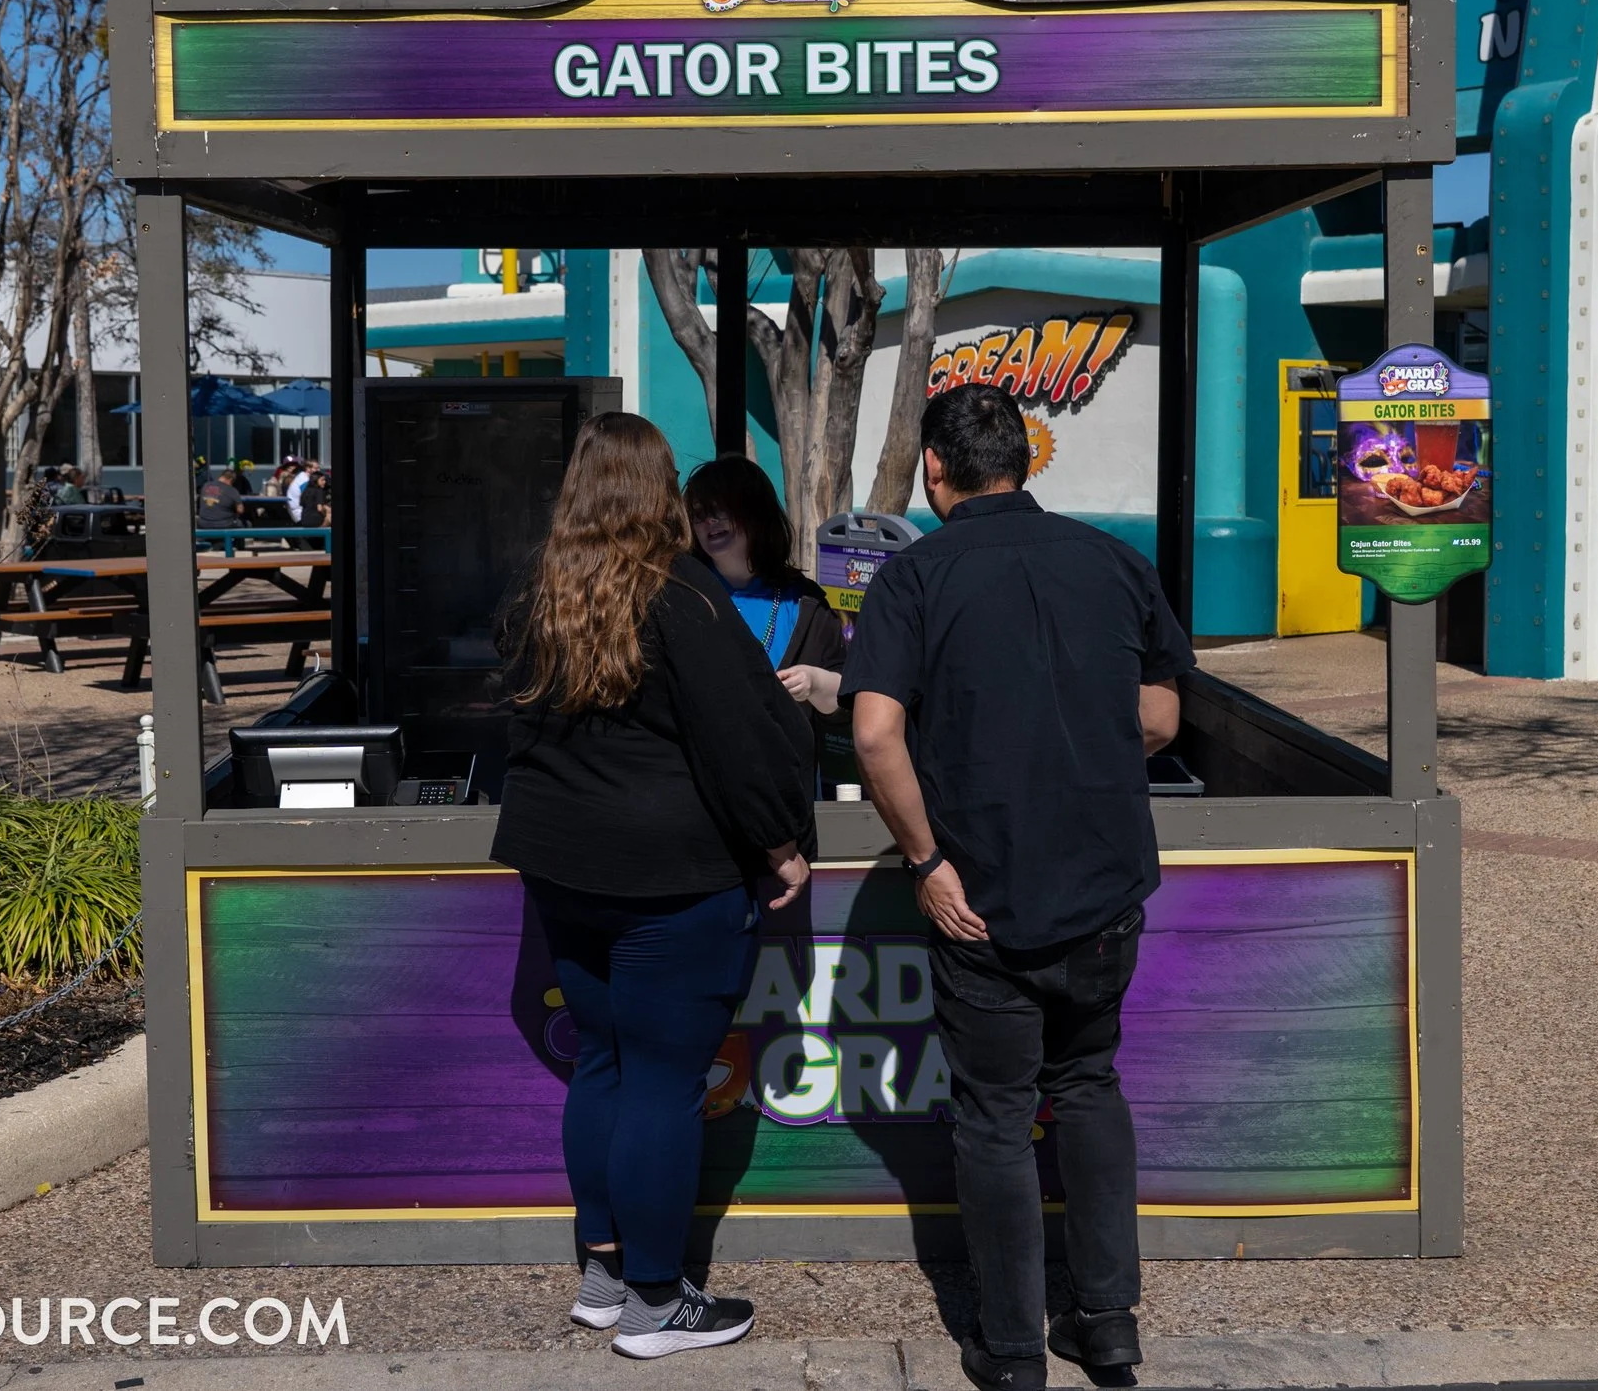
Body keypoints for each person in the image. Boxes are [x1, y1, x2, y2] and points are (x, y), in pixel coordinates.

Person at [842, 385, 1196, 1391]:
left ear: (934, 471)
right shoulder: (1111, 562)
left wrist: (924, 859)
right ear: (1023, 464)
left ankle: (1008, 1351)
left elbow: (873, 732)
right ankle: (1107, 1324)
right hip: (1100, 887)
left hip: (978, 896)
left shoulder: (913, 579)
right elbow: (1162, 717)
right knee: (1086, 1086)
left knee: (994, 1117)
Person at [491, 413, 816, 1361]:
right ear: (655, 491)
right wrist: (783, 845)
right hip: (673, 880)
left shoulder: (537, 593)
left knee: (604, 1061)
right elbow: (746, 737)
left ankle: (602, 1277)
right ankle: (656, 1304)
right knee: (666, 1084)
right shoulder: (682, 596)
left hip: (563, 875)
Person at [683, 454, 845, 730]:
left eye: (719, 509)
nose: (708, 521)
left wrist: (815, 682)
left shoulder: (806, 602)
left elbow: (847, 704)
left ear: (755, 513)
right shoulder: (681, 593)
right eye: (699, 514)